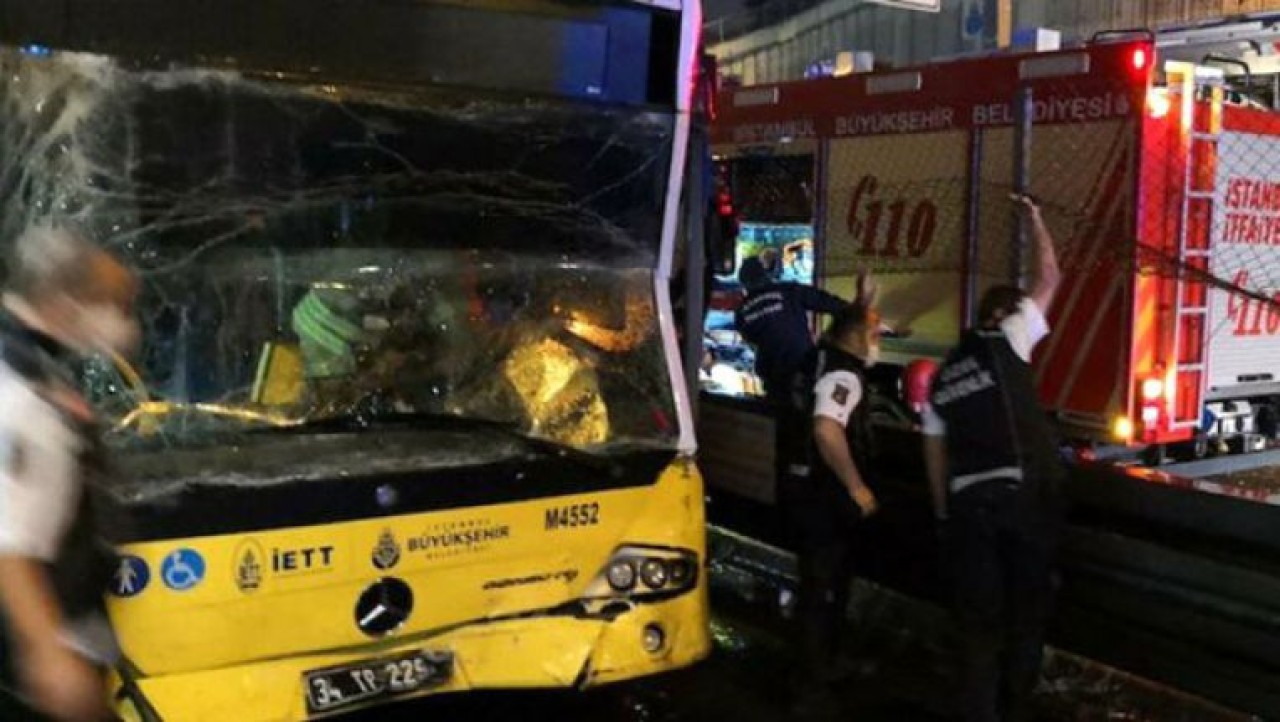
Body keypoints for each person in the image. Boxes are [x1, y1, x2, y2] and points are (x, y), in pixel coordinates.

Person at [921, 194, 1064, 722]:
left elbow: (934, 456)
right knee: (1027, 613)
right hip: (1021, 499)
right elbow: (1049, 276)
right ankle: (1017, 707)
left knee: (977, 627)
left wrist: (942, 515)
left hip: (966, 511)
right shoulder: (1008, 338)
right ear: (1005, 316)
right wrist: (1035, 219)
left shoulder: (943, 373)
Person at [0, 224, 140, 722]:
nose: (124, 322)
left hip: (73, 634)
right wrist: (48, 653)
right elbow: (8, 543)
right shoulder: (20, 394)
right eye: (113, 303)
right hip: (41, 659)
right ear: (65, 302)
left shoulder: (38, 368)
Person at [782, 301, 883, 719]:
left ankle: (823, 666)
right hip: (826, 497)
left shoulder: (816, 359)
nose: (877, 341)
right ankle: (810, 688)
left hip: (802, 487)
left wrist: (865, 302)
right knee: (823, 589)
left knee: (821, 585)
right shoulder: (844, 374)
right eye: (874, 334)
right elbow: (827, 428)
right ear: (856, 336)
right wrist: (857, 486)